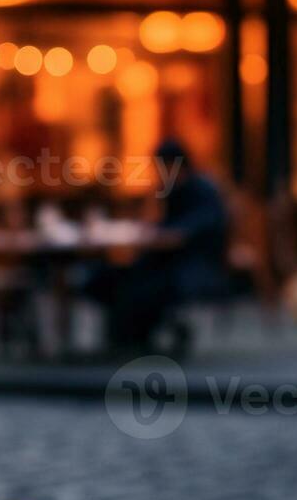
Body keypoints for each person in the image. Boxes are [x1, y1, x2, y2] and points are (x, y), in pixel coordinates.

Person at [94, 139, 229, 351]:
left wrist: (156, 233)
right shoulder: (171, 190)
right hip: (167, 260)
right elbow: (156, 225)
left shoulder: (202, 191)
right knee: (114, 275)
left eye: (161, 166)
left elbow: (183, 234)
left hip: (194, 265)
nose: (158, 172)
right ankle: (127, 337)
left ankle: (132, 339)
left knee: (139, 285)